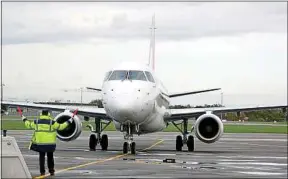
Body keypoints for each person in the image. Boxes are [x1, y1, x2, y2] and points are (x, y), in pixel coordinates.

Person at [21, 109, 73, 176]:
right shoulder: (52, 122)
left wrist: (24, 119)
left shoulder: (36, 122)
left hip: (40, 144)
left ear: (41, 114)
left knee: (41, 158)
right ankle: (51, 171)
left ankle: (42, 172)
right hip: (50, 144)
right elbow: (61, 127)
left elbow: (28, 125)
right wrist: (69, 121)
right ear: (48, 114)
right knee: (50, 157)